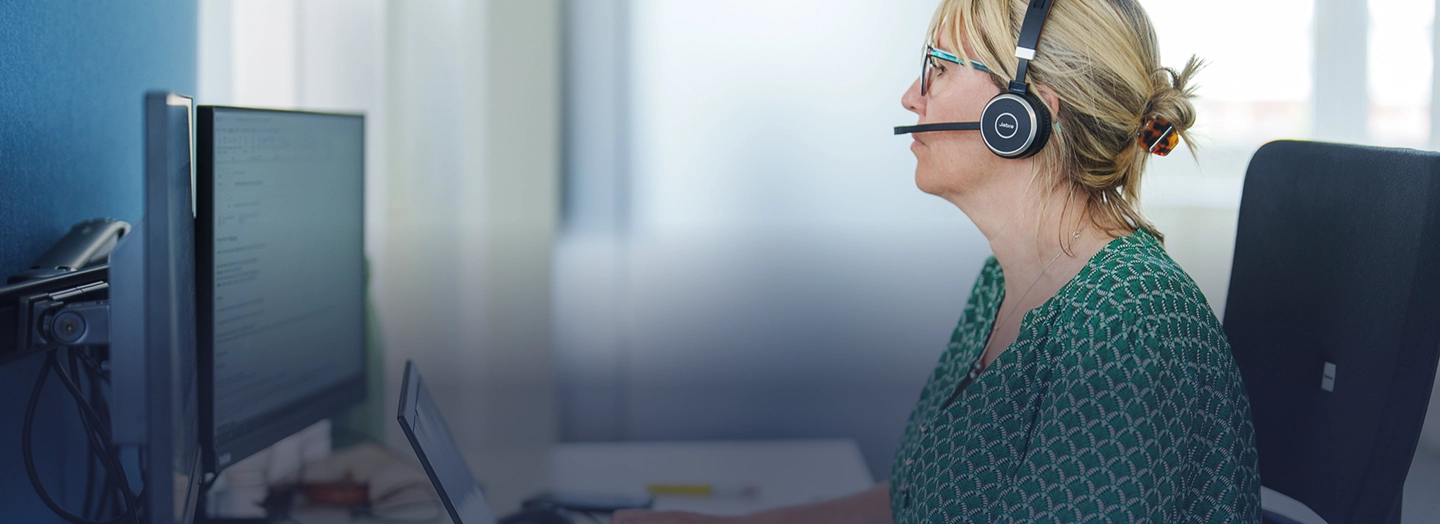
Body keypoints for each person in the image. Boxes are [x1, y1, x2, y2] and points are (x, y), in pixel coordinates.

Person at [613, 0, 1260, 521]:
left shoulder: (1127, 321)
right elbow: (916, 503)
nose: (909, 98)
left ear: (1024, 112)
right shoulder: (1004, 282)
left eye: (940, 69)